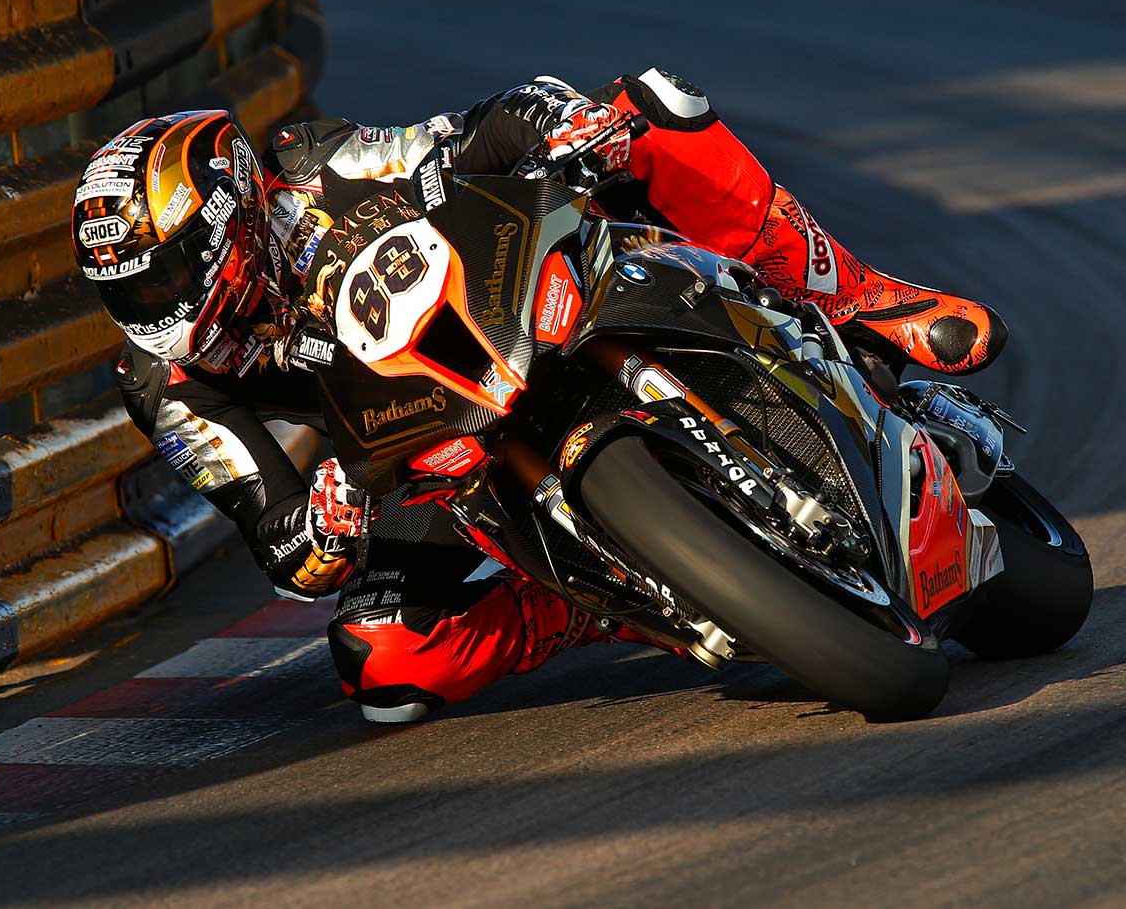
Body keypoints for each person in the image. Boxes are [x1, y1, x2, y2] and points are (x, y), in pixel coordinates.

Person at [70, 69, 1006, 722]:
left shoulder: (321, 168)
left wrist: (560, 123)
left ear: (228, 221)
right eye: (125, 295)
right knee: (379, 663)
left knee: (654, 109)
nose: (149, 311)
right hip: (431, 457)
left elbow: (470, 133)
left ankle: (856, 297)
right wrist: (327, 524)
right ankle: (598, 596)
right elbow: (273, 535)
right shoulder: (167, 385)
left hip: (531, 298)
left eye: (156, 282)